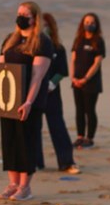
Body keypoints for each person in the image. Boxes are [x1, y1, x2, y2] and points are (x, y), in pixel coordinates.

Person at [0, 2, 52, 201]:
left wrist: (28, 102)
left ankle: (25, 186)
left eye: (25, 14)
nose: (21, 17)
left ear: (34, 18)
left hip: (29, 102)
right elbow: (0, 71)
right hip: (6, 100)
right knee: (9, 141)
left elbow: (38, 76)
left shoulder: (42, 42)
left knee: (26, 141)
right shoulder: (10, 40)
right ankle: (13, 183)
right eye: (18, 13)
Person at [36, 13, 79, 174]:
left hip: (52, 92)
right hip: (33, 93)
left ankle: (66, 162)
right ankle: (36, 162)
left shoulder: (58, 48)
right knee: (34, 127)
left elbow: (62, 70)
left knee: (57, 126)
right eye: (40, 24)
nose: (43, 28)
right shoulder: (32, 47)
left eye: (46, 25)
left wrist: (52, 83)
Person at [70, 12, 105, 148]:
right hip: (76, 80)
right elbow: (73, 59)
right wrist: (73, 77)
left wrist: (85, 78)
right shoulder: (78, 39)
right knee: (79, 109)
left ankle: (89, 138)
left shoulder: (98, 41)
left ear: (96, 25)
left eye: (92, 23)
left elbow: (97, 63)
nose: (89, 25)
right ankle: (80, 136)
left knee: (89, 109)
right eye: (86, 22)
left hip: (91, 82)